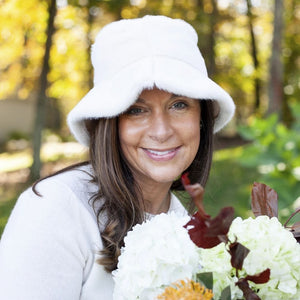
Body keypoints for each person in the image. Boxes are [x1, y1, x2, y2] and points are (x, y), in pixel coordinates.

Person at [0, 15, 235, 299]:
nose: (161, 132)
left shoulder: (184, 225)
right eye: (136, 110)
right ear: (108, 123)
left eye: (179, 105)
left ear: (202, 117)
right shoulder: (55, 210)